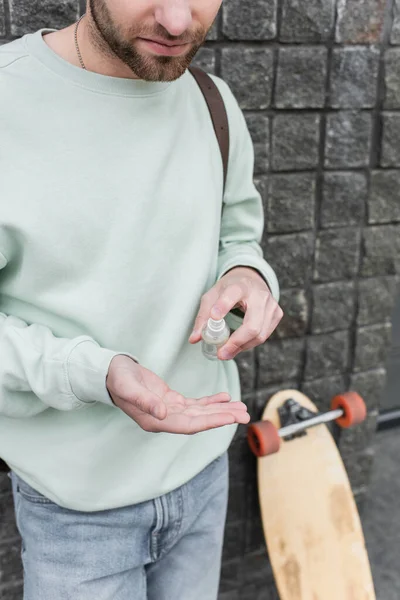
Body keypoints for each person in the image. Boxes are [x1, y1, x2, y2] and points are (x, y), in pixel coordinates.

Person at [0, 1, 283, 598]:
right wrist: (94, 373)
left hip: (205, 468)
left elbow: (237, 232)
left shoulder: (211, 99)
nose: (179, 22)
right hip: (76, 510)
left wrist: (248, 276)